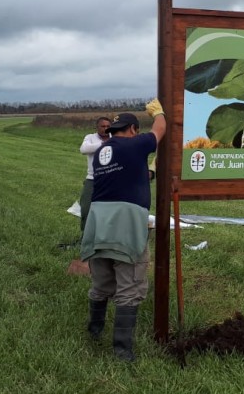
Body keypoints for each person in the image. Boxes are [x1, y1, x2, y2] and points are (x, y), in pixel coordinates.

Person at [81, 99, 166, 361]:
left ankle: (94, 330)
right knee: (130, 283)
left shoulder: (103, 151)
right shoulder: (136, 143)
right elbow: (160, 130)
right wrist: (159, 112)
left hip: (99, 223)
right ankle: (122, 350)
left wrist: (150, 171)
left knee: (102, 281)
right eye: (136, 131)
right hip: (125, 223)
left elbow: (127, 177)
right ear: (131, 129)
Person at [78, 117, 112, 235]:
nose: (105, 129)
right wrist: (104, 144)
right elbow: (83, 149)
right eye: (102, 126)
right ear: (97, 127)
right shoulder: (90, 138)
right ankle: (85, 236)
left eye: (108, 126)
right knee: (86, 208)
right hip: (92, 179)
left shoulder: (115, 138)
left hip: (110, 179)